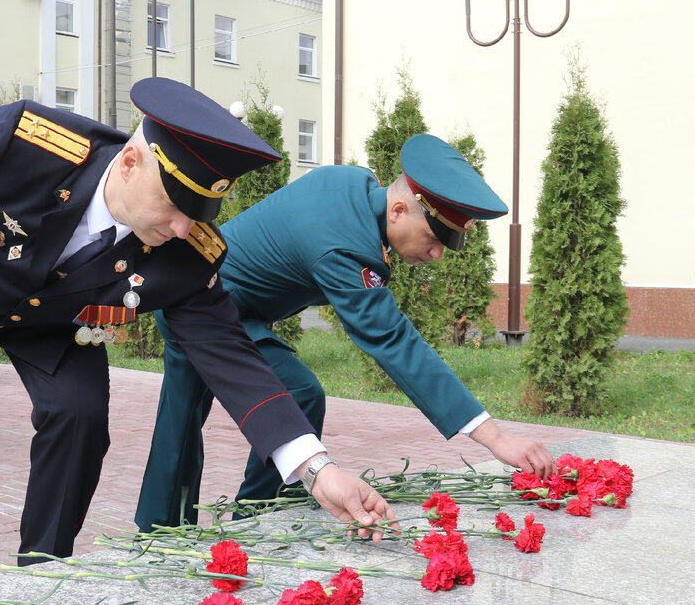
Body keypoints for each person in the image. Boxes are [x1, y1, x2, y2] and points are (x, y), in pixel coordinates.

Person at [0, 77, 396, 602]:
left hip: (51, 326)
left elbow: (233, 360)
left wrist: (319, 470)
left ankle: (41, 578)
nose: (183, 228)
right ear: (130, 162)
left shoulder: (188, 253)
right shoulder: (29, 140)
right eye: (175, 206)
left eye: (197, 214)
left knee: (80, 416)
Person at [134, 133, 556, 532]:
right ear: (398, 210)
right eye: (433, 237)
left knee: (184, 417)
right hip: (203, 307)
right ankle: (244, 520)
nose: (438, 252)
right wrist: (496, 439)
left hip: (216, 298)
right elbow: (393, 340)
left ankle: (181, 524)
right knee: (284, 394)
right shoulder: (345, 246)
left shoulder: (356, 182)